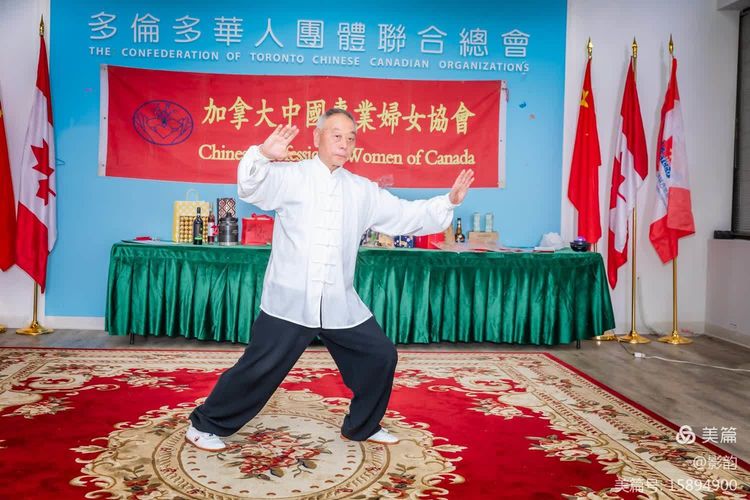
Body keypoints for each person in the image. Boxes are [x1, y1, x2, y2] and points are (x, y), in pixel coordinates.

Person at [186, 108, 474, 451]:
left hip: (338, 300)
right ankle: (204, 425)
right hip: (291, 298)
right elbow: (250, 187)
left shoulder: (361, 190)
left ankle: (362, 426)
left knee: (380, 356)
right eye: (336, 135)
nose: (345, 143)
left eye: (351, 137)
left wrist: (447, 202)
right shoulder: (291, 176)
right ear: (317, 138)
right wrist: (263, 156)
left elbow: (404, 215)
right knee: (260, 367)